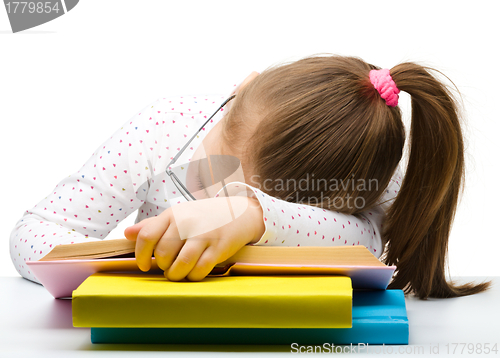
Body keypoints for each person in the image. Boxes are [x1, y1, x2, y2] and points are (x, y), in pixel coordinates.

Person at [10, 54, 491, 300]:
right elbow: (30, 233)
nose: (217, 191)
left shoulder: (360, 164)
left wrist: (253, 213)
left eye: (241, 188)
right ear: (239, 89)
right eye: (216, 170)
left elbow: (367, 247)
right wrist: (133, 265)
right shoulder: (162, 131)